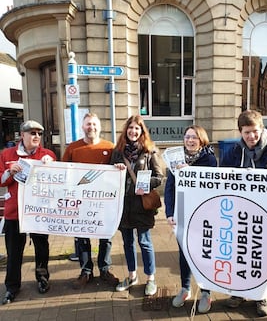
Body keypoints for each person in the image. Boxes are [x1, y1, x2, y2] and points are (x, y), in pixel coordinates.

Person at [220, 109, 267, 317]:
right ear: (240, 131)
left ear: (262, 129)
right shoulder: (233, 151)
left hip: (266, 214)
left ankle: (261, 295)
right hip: (239, 213)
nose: (251, 136)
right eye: (247, 132)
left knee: (261, 256)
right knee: (238, 254)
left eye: (255, 131)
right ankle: (238, 292)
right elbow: (222, 176)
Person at [0, 120, 56, 304]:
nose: (36, 137)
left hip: (38, 211)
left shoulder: (47, 154)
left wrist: (51, 165)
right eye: (32, 133)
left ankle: (42, 278)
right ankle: (12, 287)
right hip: (14, 212)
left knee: (41, 247)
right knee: (14, 252)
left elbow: (58, 181)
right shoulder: (7, 155)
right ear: (22, 135)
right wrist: (9, 172)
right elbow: (1, 180)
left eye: (39, 134)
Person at [164, 125, 217, 313]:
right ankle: (185, 288)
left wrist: (191, 173)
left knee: (204, 253)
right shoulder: (175, 159)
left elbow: (212, 187)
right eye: (187, 137)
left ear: (201, 140)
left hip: (204, 216)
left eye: (194, 137)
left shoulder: (209, 159)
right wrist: (169, 213)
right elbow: (169, 188)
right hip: (181, 215)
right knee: (184, 253)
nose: (190, 140)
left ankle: (206, 292)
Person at [62, 112, 119, 288]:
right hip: (80, 201)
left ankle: (104, 269)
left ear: (99, 127)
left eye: (94, 124)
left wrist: (119, 168)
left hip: (103, 201)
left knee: (105, 236)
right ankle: (86, 272)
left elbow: (117, 170)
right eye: (88, 124)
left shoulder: (110, 147)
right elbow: (63, 171)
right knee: (81, 237)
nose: (91, 127)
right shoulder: (73, 148)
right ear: (82, 127)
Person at [111, 115, 163, 296]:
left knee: (145, 242)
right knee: (127, 243)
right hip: (124, 206)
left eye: (137, 129)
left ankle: (151, 278)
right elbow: (109, 179)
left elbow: (159, 177)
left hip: (142, 206)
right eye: (130, 128)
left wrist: (145, 185)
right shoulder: (117, 152)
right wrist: (115, 170)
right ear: (126, 130)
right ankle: (132, 276)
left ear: (142, 132)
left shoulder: (149, 151)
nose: (133, 131)